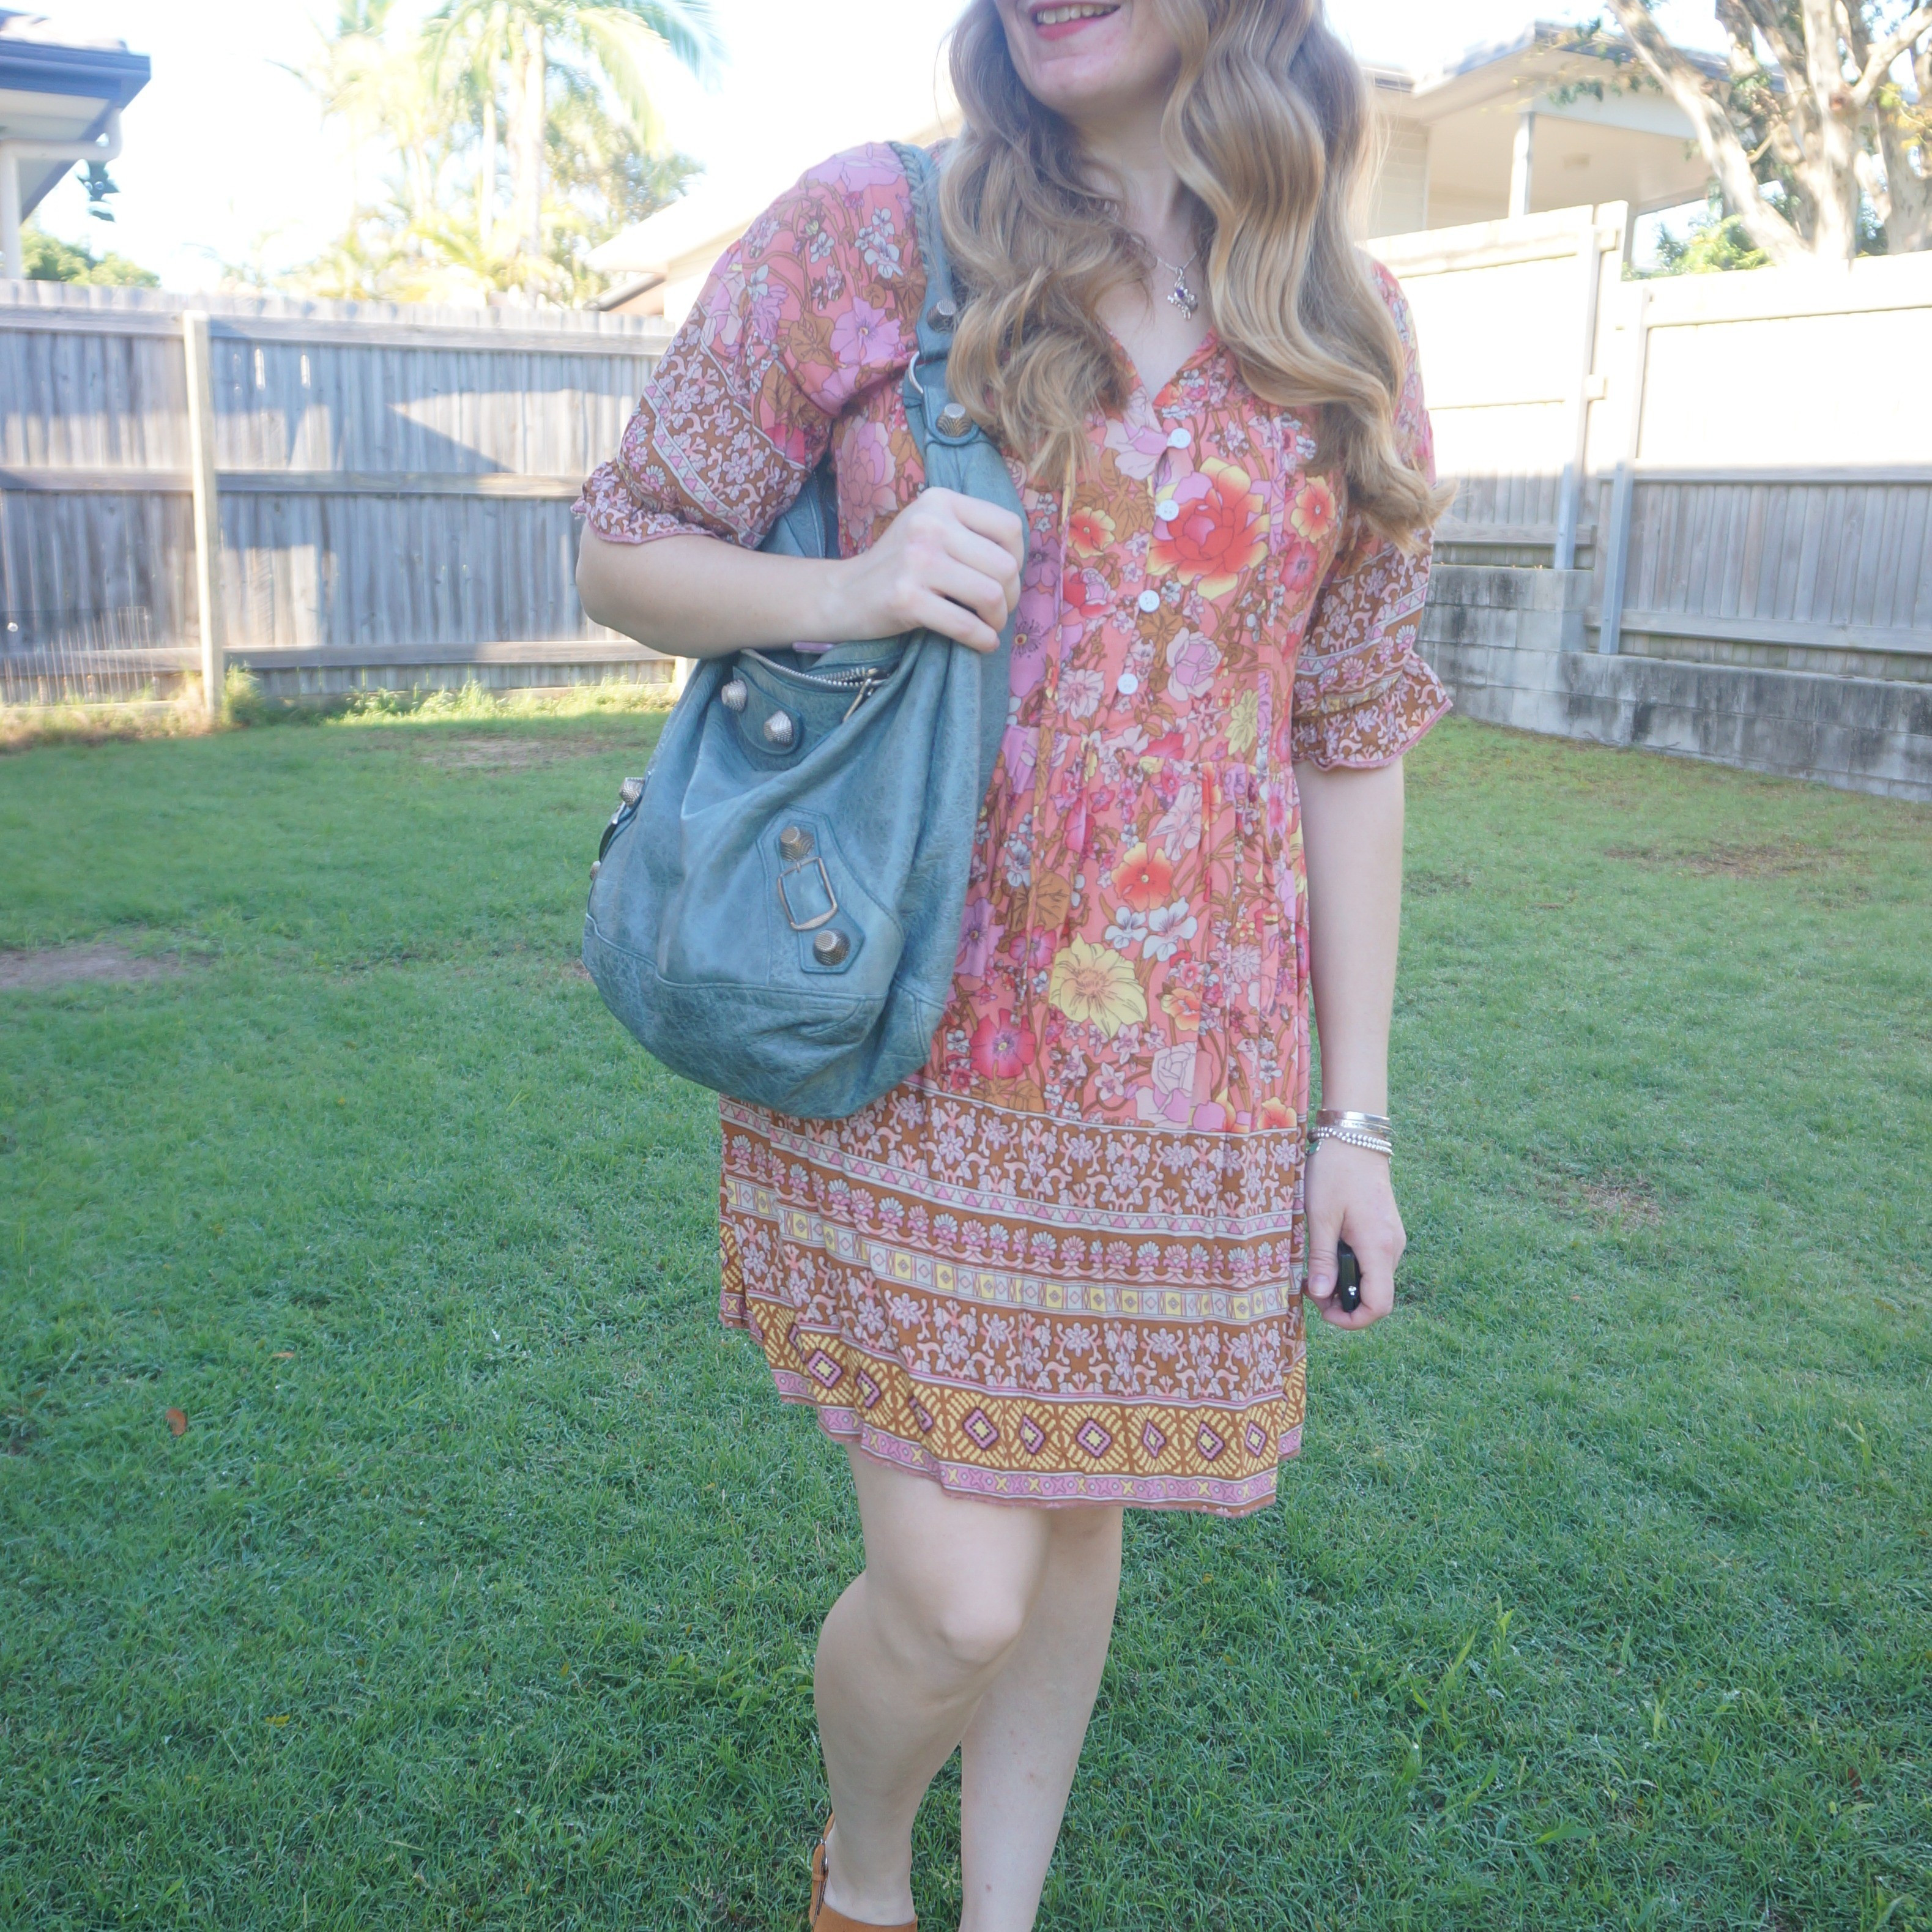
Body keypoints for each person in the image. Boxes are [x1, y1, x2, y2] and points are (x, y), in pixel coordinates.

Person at [575, 1, 1451, 1925]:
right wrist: (851, 586)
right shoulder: (871, 236)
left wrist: (1355, 1118)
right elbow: (625, 545)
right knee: (958, 1586)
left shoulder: (1344, 329)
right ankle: (867, 1874)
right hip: (907, 1028)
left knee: (1071, 1530)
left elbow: (1352, 735)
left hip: (1189, 1082)